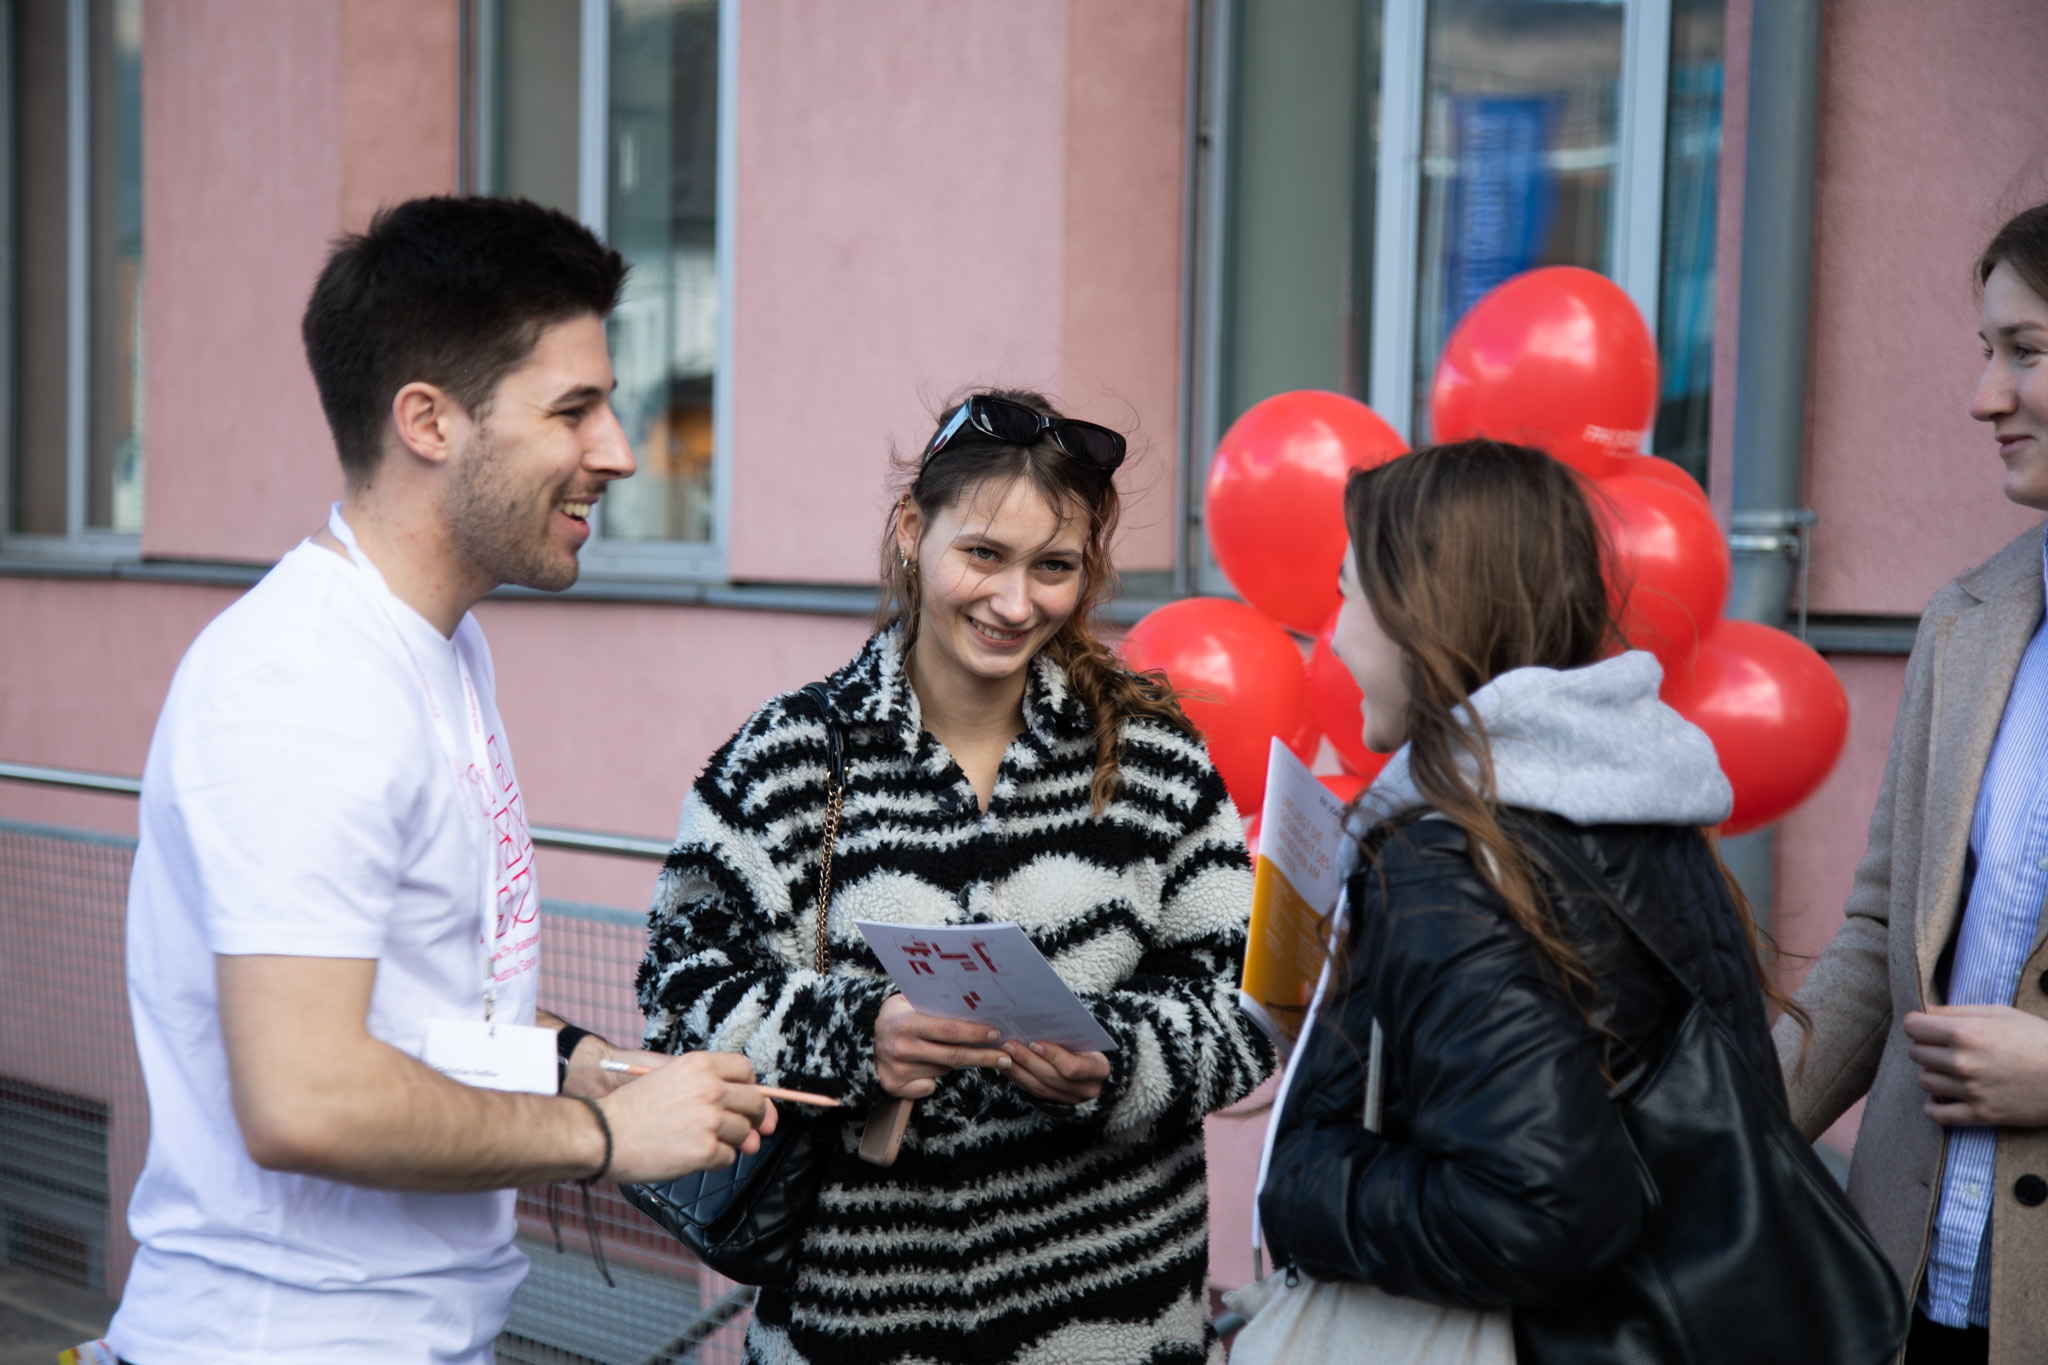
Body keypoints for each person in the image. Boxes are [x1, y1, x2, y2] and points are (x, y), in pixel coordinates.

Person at [106, 197, 774, 1365]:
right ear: (428, 419)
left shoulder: (438, 648)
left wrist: (584, 1061)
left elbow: (412, 1016)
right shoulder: (304, 683)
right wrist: (605, 1132)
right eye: (573, 408)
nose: (617, 449)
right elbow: (305, 1097)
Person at [637, 389, 1276, 1364]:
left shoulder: (1151, 756)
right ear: (910, 532)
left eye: (1052, 567)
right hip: (855, 1331)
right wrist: (857, 1036)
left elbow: (1245, 1006)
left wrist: (1112, 1063)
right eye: (984, 554)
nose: (1016, 603)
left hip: (1111, 1333)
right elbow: (677, 1001)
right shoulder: (785, 758)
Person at [1256, 441, 1801, 1356]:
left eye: (1349, 591)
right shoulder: (1641, 803)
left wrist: (1303, 1183)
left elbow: (1538, 1210)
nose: (1333, 633)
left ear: (1422, 610)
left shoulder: (1447, 856)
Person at [1776, 202, 2048, 1365]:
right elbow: (1880, 936)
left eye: (2024, 350)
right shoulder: (1966, 619)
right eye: (1985, 351)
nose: (1983, 396)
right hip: (1913, 1284)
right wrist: (1701, 1141)